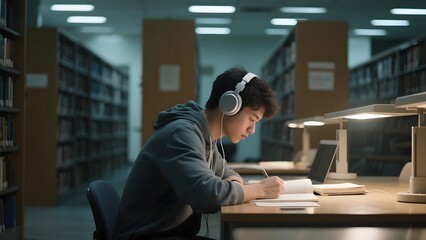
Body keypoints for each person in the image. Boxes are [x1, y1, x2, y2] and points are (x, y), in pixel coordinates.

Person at [115, 67, 284, 240]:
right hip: (146, 235)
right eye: (252, 119)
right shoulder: (182, 134)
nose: (252, 130)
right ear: (230, 104)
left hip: (167, 232)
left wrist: (237, 185)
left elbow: (226, 172)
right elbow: (207, 195)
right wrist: (260, 190)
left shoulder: (204, 135)